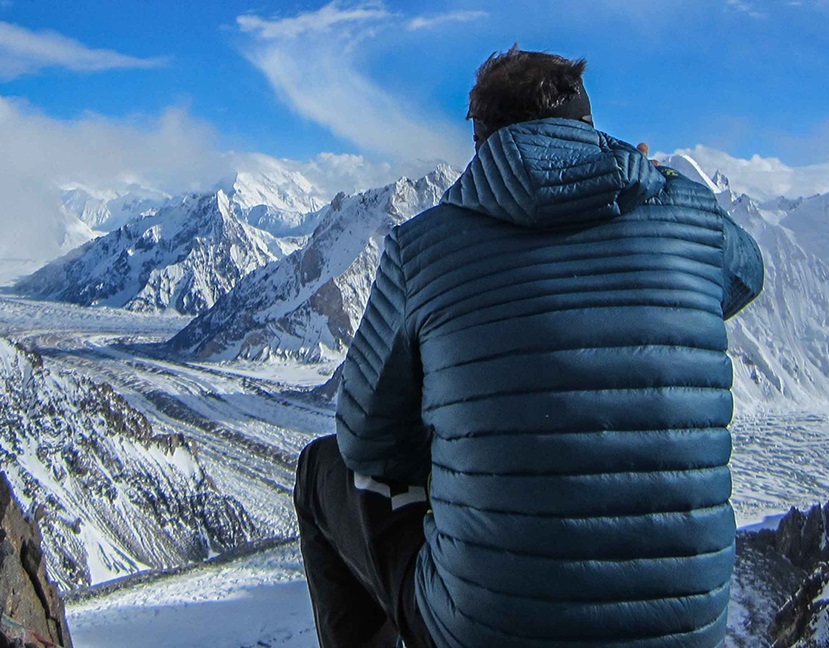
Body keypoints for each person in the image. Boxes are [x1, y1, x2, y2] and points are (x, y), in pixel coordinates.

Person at [294, 46, 765, 648]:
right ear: (589, 125)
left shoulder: (423, 247)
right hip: (687, 631)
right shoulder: (689, 214)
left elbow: (364, 439)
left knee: (321, 469)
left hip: (485, 632)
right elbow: (746, 272)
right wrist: (659, 190)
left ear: (481, 141)